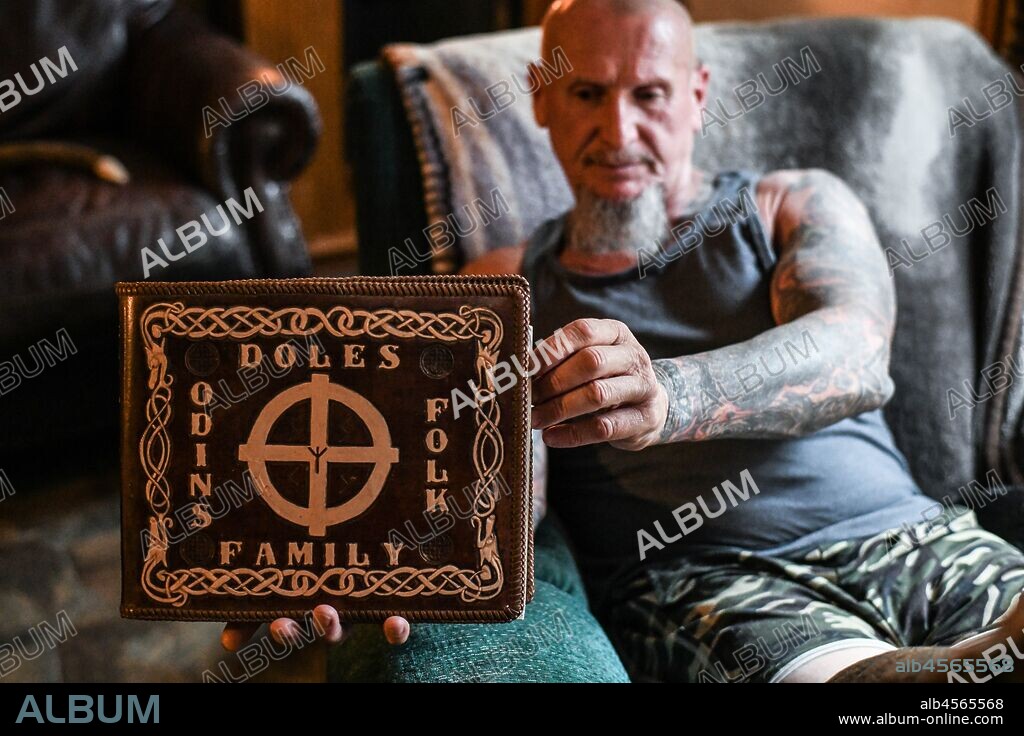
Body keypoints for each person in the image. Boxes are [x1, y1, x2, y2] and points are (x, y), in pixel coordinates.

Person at [224, 0, 1024, 682]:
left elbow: (854, 354)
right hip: (700, 583)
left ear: (697, 96)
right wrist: (342, 550)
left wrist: (668, 395)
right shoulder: (504, 281)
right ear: (542, 100)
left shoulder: (791, 204)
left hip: (914, 537)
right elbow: (499, 476)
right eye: (586, 91)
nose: (619, 129)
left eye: (650, 93)